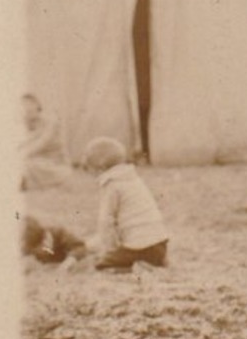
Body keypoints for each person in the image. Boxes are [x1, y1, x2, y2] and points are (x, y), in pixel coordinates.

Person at [79, 137, 169, 272]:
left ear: (100, 168)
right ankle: (155, 262)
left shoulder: (111, 185)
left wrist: (108, 250)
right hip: (160, 246)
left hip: (139, 248)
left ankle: (134, 267)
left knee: (100, 264)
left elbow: (106, 223)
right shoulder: (131, 178)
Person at [20, 93, 72, 190]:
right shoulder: (24, 124)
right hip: (36, 161)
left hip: (56, 165)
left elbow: (41, 143)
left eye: (30, 108)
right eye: (25, 109)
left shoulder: (50, 122)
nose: (27, 111)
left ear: (38, 106)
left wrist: (18, 157)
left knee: (28, 164)